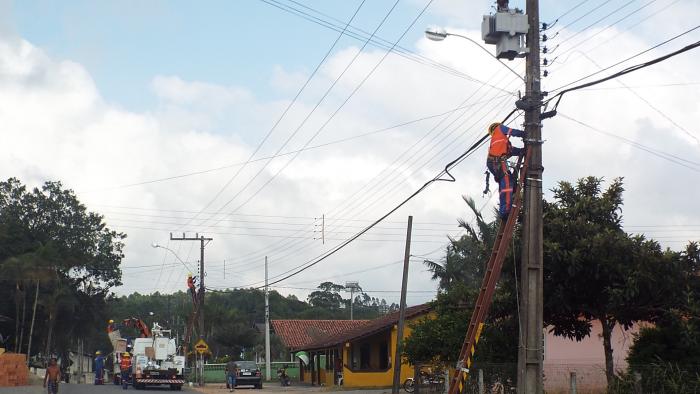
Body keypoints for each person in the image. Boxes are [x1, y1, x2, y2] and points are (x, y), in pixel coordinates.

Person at [486, 122, 526, 219]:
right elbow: (511, 131)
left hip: (493, 163)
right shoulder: (499, 128)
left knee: (506, 182)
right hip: (498, 162)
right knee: (507, 184)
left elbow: (511, 150)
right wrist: (525, 133)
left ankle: (504, 207)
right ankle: (505, 210)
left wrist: (522, 151)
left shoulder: (499, 142)